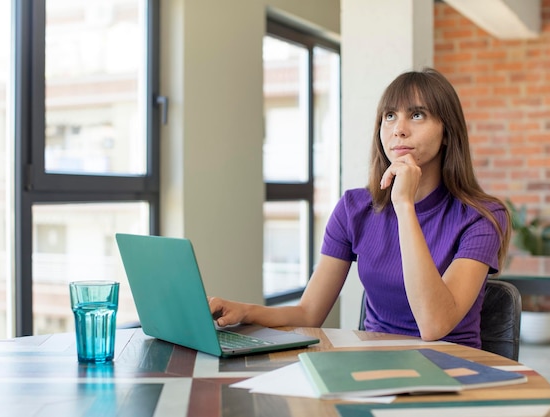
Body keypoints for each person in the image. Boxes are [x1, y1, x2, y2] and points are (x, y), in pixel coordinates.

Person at [209, 67, 511, 348]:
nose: (399, 129)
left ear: (447, 132)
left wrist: (404, 205)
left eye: (417, 115)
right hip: (373, 367)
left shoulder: (481, 216)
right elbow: (309, 313)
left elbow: (433, 325)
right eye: (390, 116)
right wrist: (244, 311)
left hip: (452, 368)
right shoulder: (354, 207)